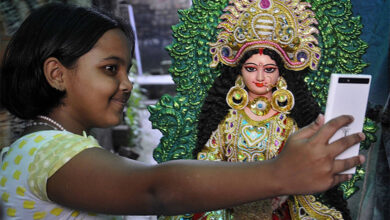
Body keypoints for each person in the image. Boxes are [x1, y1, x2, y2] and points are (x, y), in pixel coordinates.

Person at [0, 3, 364, 220]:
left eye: (127, 70)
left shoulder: (47, 147)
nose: (127, 84)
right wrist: (280, 172)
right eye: (111, 69)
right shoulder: (44, 152)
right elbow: (156, 189)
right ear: (56, 74)